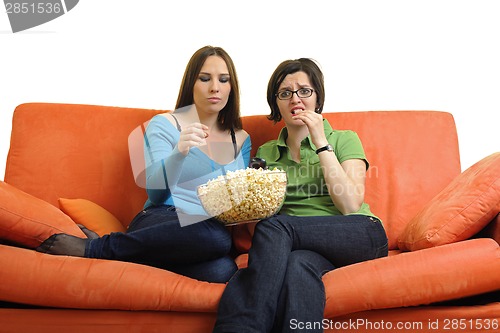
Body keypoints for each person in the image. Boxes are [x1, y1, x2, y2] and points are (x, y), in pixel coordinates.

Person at [36, 45, 251, 283]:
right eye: (204, 78)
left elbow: (236, 203)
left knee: (223, 271)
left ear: (232, 87)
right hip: (162, 218)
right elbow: (156, 193)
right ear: (191, 82)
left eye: (223, 80)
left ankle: (128, 255)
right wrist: (179, 152)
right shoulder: (165, 124)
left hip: (202, 233)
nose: (215, 88)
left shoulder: (240, 139)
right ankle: (96, 249)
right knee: (216, 239)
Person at [212, 58, 388, 332]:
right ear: (277, 103)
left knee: (277, 226)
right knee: (297, 267)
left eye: (304, 91)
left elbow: (350, 203)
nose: (295, 99)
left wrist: (321, 143)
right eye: (285, 93)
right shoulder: (267, 153)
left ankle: (245, 325)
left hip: (359, 233)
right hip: (300, 249)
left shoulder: (343, 139)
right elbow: (257, 221)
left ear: (317, 97)